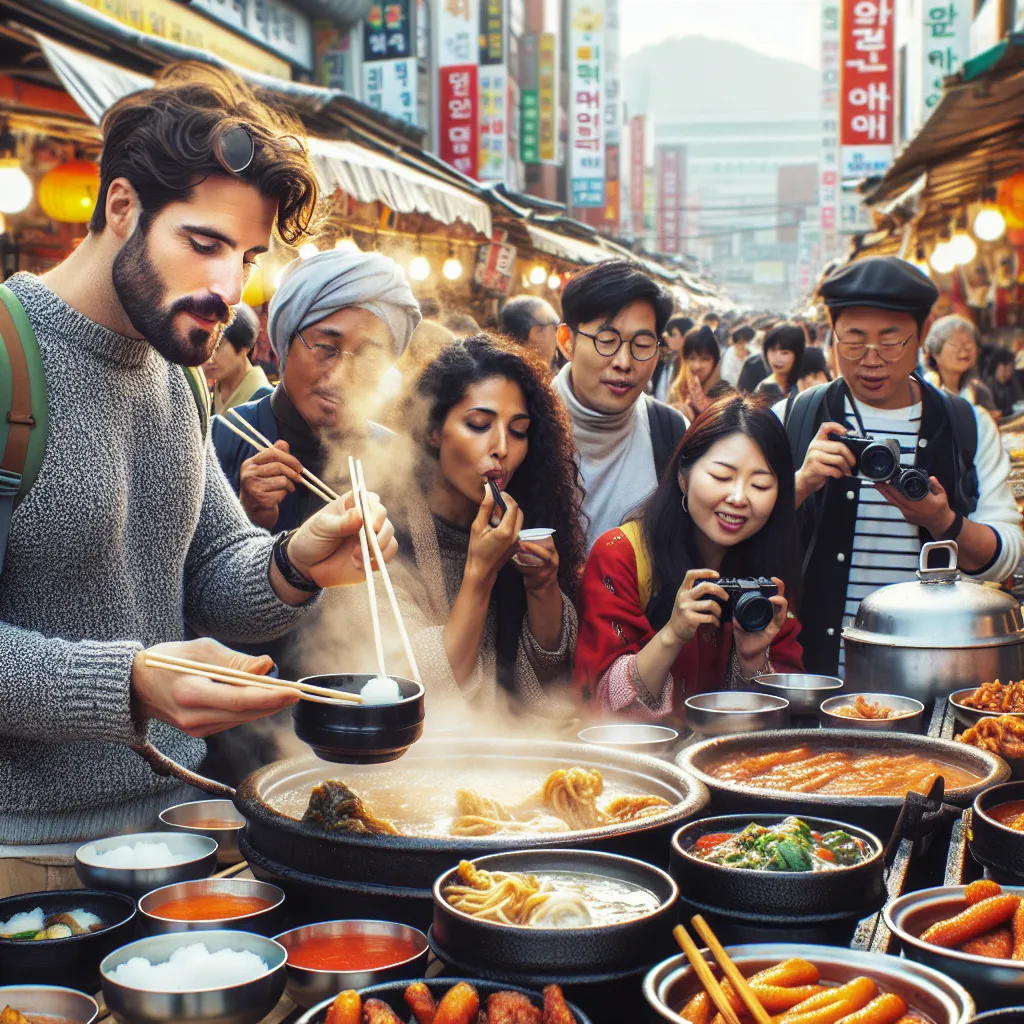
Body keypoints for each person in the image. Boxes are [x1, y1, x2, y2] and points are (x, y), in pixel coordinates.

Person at [0, 63, 398, 897]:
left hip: (186, 828)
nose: (228, 288)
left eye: (247, 256)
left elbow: (215, 577)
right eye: (205, 244)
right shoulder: (10, 360)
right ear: (120, 209)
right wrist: (131, 681)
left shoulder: (177, 374)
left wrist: (296, 563)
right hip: (28, 862)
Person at [307, 335, 586, 717]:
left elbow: (550, 687)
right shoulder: (379, 532)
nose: (502, 447)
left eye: (518, 431)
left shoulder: (516, 525)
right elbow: (419, 692)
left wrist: (542, 587)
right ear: (433, 430)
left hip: (509, 756)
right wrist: (480, 571)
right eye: (478, 424)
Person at [783, 256, 1023, 678]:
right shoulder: (794, 416)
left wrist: (944, 522)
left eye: (890, 341)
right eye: (853, 341)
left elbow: (1006, 557)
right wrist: (799, 486)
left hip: (931, 676)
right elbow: (731, 538)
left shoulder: (967, 425)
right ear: (831, 333)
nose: (870, 359)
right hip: (812, 679)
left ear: (922, 336)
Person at [574, 395, 804, 720]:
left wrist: (754, 661)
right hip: (641, 763)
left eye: (760, 484)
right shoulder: (623, 555)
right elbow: (598, 703)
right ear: (683, 477)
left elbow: (786, 718)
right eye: (722, 477)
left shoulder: (771, 573)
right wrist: (672, 635)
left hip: (730, 764)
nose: (738, 498)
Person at [212, 248, 420, 533]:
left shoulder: (395, 461)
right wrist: (247, 519)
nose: (340, 377)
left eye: (369, 358)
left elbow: (413, 573)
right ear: (286, 343)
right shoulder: (218, 438)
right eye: (325, 348)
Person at [552, 260, 687, 550]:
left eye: (641, 345)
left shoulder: (673, 432)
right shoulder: (518, 427)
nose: (623, 363)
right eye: (606, 340)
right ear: (566, 341)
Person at [923, 315, 998, 418]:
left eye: (969, 343)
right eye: (955, 344)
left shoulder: (980, 392)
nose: (964, 349)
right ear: (936, 352)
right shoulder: (924, 390)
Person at [205, 302, 273, 415]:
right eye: (207, 346)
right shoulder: (213, 393)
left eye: (219, 345)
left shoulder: (264, 399)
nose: (209, 357)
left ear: (243, 347)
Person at [498, 295, 560, 374]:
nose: (558, 341)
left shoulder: (496, 375)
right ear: (536, 334)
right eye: (555, 329)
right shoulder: (535, 382)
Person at [756, 322, 806, 399]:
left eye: (784, 353)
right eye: (772, 351)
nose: (777, 358)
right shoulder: (764, 389)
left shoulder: (806, 382)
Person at [651, 315, 694, 402]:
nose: (666, 341)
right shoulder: (672, 359)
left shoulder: (685, 363)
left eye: (667, 337)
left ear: (676, 333)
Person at [985, 348, 1024, 419]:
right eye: (1006, 369)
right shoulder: (987, 386)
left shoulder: (1011, 383)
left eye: (1010, 369)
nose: (1008, 373)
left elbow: (1019, 400)